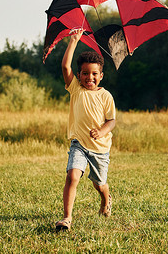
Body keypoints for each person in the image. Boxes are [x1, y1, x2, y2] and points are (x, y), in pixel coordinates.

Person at [55, 29, 116, 231]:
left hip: (100, 148)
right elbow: (65, 66)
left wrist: (101, 131)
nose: (90, 77)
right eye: (85, 73)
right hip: (79, 144)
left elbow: (111, 121)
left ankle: (105, 199)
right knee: (72, 176)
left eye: (94, 74)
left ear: (101, 75)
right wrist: (73, 40)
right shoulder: (75, 89)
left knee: (99, 184)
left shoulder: (106, 96)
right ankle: (67, 218)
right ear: (79, 75)